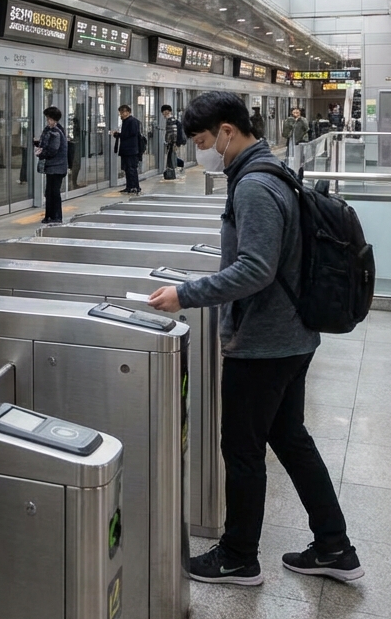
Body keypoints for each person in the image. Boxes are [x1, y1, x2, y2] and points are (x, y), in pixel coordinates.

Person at [147, 91, 362, 587]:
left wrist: (187, 293)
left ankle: (238, 556)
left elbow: (256, 268)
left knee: (242, 450)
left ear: (227, 131)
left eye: (203, 140)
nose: (202, 150)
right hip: (293, 336)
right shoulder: (273, 170)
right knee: (290, 439)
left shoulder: (254, 186)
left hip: (266, 342)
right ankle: (334, 545)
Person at [35, 106, 67, 224]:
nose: (48, 121)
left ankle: (55, 216)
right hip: (56, 167)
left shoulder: (55, 132)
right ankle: (51, 215)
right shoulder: (57, 129)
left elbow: (53, 149)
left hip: (55, 167)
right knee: (51, 192)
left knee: (52, 192)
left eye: (49, 119)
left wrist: (41, 153)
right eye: (48, 118)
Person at [111, 104, 142, 195]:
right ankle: (129, 186)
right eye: (120, 112)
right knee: (127, 169)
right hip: (126, 149)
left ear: (128, 112)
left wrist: (119, 135)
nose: (121, 114)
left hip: (131, 149)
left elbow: (132, 134)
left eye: (123, 112)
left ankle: (135, 187)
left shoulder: (132, 121)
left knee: (131, 168)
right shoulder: (125, 121)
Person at [161, 104, 179, 176]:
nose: (163, 114)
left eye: (165, 112)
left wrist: (173, 142)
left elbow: (173, 132)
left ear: (168, 112)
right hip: (172, 142)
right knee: (171, 157)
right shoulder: (172, 119)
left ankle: (171, 174)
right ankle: (171, 173)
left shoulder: (170, 120)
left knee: (170, 158)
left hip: (171, 142)